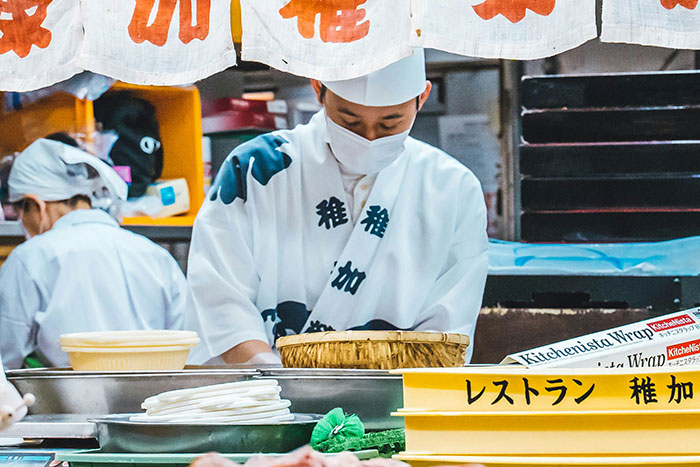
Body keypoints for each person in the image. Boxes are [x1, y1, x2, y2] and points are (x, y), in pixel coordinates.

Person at [186, 49, 488, 365]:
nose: (369, 138)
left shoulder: (451, 188)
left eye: (390, 123)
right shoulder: (256, 170)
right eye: (350, 121)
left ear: (422, 98)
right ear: (318, 88)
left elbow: (448, 327)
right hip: (264, 396)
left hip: (396, 397)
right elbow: (219, 298)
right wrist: (283, 386)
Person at [0, 137, 188, 369]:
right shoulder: (156, 256)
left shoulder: (30, 259)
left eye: (22, 217)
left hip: (61, 402)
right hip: (151, 400)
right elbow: (186, 344)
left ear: (35, 205)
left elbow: (6, 359)